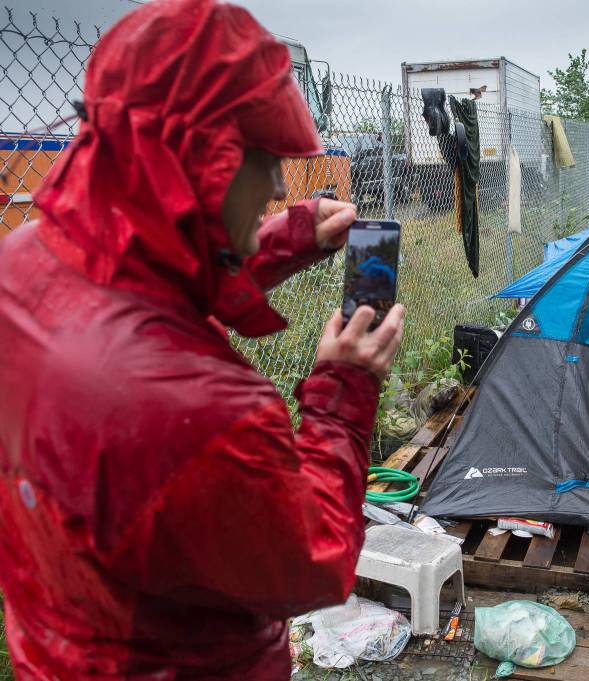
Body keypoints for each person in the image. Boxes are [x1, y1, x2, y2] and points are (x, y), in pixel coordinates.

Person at [0, 0, 404, 677]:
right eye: (267, 160)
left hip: (57, 643)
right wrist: (343, 389)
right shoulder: (199, 412)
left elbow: (146, 260)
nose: (280, 185)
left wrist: (288, 236)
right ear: (204, 161)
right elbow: (317, 562)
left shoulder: (21, 264)